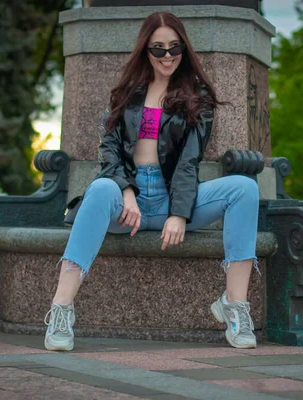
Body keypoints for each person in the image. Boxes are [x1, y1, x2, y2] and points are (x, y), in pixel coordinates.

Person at [44, 12, 260, 351]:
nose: (167, 56)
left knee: (245, 188)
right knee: (101, 188)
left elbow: (190, 160)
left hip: (169, 198)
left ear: (184, 49)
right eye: (158, 48)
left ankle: (235, 307)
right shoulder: (126, 94)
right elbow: (110, 151)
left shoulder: (197, 97)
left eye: (174, 47)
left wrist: (179, 213)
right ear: (145, 50)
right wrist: (126, 191)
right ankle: (61, 311)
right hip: (126, 206)